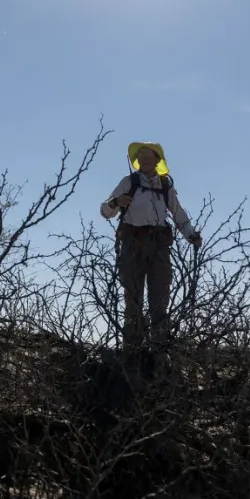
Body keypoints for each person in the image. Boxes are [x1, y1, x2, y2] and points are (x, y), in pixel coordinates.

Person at [100, 143, 201, 350]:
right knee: (132, 301)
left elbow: (178, 213)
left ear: (157, 160)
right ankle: (132, 351)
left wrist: (191, 235)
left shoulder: (166, 186)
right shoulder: (129, 182)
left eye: (149, 156)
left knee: (160, 300)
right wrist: (115, 202)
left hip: (159, 248)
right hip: (132, 246)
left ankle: (160, 351)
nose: (145, 160)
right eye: (141, 156)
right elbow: (105, 211)